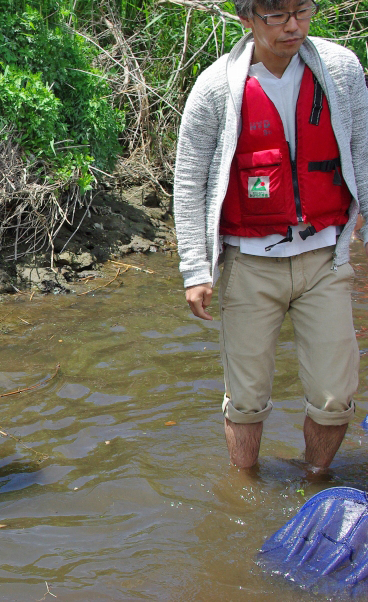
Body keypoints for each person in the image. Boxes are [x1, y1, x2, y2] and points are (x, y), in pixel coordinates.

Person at [174, 0, 368, 470]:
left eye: (302, 11)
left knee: (335, 397)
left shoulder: (340, 70)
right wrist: (196, 269)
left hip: (326, 256)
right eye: (277, 16)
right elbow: (189, 179)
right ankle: (244, 491)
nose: (293, 26)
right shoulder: (216, 86)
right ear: (247, 19)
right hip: (249, 263)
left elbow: (362, 152)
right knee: (245, 400)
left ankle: (315, 478)